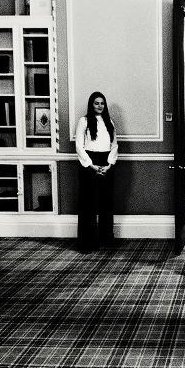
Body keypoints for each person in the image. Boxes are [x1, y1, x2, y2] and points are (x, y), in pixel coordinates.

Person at [75, 89, 118, 251]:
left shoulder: (110, 122)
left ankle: (106, 238)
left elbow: (114, 145)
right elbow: (79, 146)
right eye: (96, 103)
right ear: (91, 105)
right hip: (89, 164)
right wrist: (91, 165)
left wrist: (109, 164)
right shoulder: (84, 121)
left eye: (102, 103)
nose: (100, 106)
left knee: (106, 202)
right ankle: (88, 242)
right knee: (88, 204)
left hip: (106, 163)